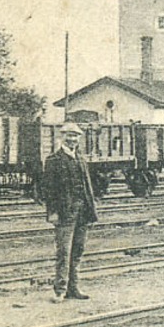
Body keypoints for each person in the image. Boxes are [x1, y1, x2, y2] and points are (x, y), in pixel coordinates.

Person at [45, 123, 98, 301]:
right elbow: (49, 191)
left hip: (82, 212)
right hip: (64, 213)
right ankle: (60, 290)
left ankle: (73, 288)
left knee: (78, 251)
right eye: (69, 135)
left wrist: (92, 211)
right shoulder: (53, 160)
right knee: (63, 253)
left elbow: (88, 187)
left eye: (75, 136)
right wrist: (52, 212)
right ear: (62, 137)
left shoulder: (81, 159)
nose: (72, 139)